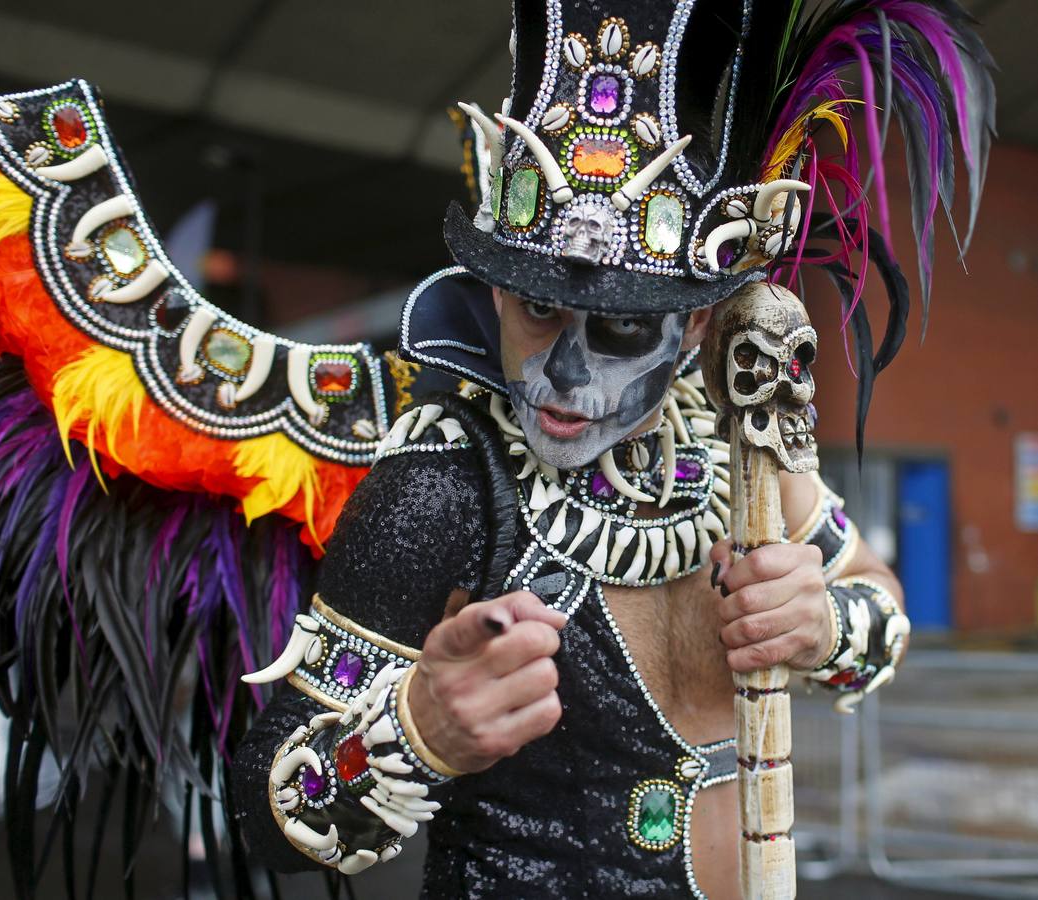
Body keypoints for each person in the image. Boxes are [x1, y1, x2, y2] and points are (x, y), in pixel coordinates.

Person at [229, 1, 993, 896]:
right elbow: (269, 816)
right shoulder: (440, 481)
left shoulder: (737, 443)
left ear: (696, 319)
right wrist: (415, 733)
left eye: (625, 327)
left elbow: (877, 599)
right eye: (537, 309)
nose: (564, 375)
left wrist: (824, 626)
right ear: (490, 290)